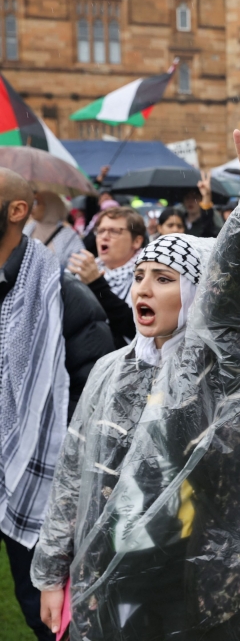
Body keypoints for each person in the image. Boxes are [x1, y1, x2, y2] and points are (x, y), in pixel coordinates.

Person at [31, 131, 240, 641]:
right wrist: (53, 572)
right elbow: (76, 476)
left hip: (209, 579)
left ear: (194, 293)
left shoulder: (219, 368)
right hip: (122, 570)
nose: (143, 288)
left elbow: (231, 298)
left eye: (164, 278)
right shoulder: (111, 372)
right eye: (140, 276)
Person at [0, 168, 114, 641]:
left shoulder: (63, 297)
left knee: (49, 617)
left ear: (17, 211)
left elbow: (100, 405)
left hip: (41, 485)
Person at [67, 206, 146, 349]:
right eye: (101, 230)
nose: (104, 236)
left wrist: (96, 285)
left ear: (137, 241)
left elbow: (135, 326)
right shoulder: (83, 271)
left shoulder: (147, 274)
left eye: (114, 231)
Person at [23, 192, 84, 268]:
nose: (32, 207)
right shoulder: (27, 228)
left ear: (50, 206)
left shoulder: (69, 236)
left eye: (37, 202)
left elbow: (78, 266)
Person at [179, 171, 220, 238]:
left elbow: (207, 222)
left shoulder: (207, 222)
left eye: (195, 198)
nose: (190, 201)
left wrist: (206, 196)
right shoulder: (179, 219)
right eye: (187, 197)